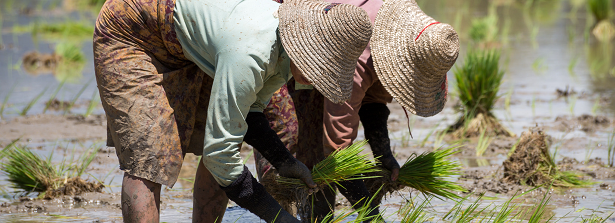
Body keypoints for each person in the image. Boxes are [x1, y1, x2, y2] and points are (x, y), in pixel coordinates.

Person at [93, 0, 373, 222]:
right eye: (318, 71)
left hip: (190, 43)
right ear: (304, 50)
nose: (314, 82)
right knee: (149, 158)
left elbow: (250, 112)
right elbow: (221, 157)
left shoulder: (282, 51)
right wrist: (278, 217)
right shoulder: (252, 54)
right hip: (132, 31)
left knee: (221, 141)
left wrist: (285, 161)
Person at [256, 0, 460, 221]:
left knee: (320, 163)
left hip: (326, 49)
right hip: (285, 41)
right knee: (286, 146)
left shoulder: (398, 44)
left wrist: (384, 155)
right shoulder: (359, 54)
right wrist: (371, 215)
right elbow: (338, 148)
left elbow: (374, 101)